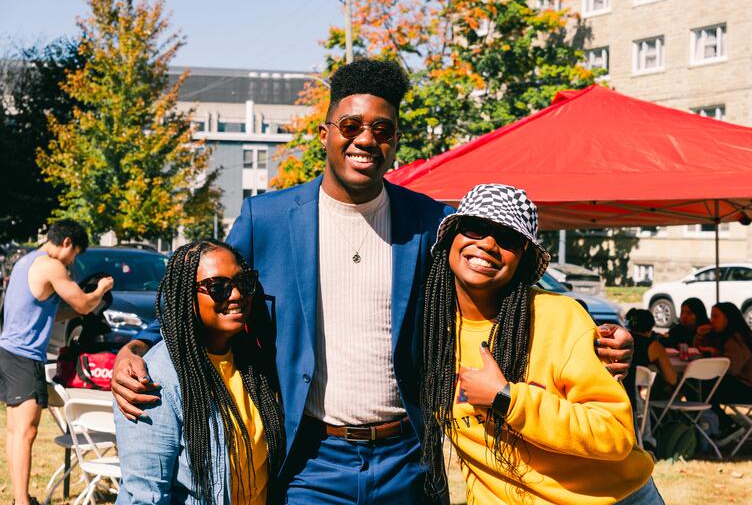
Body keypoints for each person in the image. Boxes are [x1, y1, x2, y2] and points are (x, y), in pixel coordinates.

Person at [110, 59, 634, 503]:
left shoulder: (428, 222)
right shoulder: (265, 219)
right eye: (351, 126)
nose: (366, 139)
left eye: (382, 130)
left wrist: (598, 339)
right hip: (309, 457)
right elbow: (201, 293)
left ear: (395, 141)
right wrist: (137, 348)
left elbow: (495, 288)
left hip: (407, 456)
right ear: (325, 134)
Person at [419, 184, 660, 505]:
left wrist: (506, 398)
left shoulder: (559, 317)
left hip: (611, 497)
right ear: (451, 237)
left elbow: (614, 433)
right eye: (475, 228)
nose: (488, 244)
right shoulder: (427, 329)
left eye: (508, 238)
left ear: (523, 258)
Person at [115, 240, 284, 504]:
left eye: (244, 282)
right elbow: (146, 496)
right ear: (185, 296)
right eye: (218, 287)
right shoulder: (153, 379)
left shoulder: (256, 365)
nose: (236, 295)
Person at [0, 220, 113, 505]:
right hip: (24, 356)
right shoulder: (51, 265)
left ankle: (20, 498)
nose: (73, 261)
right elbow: (84, 303)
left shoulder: (27, 261)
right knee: (26, 432)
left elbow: (46, 313)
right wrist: (101, 289)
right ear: (66, 243)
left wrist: (79, 308)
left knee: (16, 431)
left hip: (9, 353)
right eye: (75, 254)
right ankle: (22, 501)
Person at [694, 302, 752, 446]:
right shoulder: (736, 336)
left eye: (716, 317)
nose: (711, 321)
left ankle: (727, 425)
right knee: (703, 386)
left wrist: (716, 355)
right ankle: (722, 425)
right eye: (711, 316)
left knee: (703, 387)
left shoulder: (738, 339)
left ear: (728, 319)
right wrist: (700, 335)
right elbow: (700, 347)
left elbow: (731, 368)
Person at [626, 308, 677, 397]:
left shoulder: (620, 340)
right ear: (651, 326)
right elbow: (672, 379)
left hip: (614, 388)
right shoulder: (653, 346)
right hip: (632, 395)